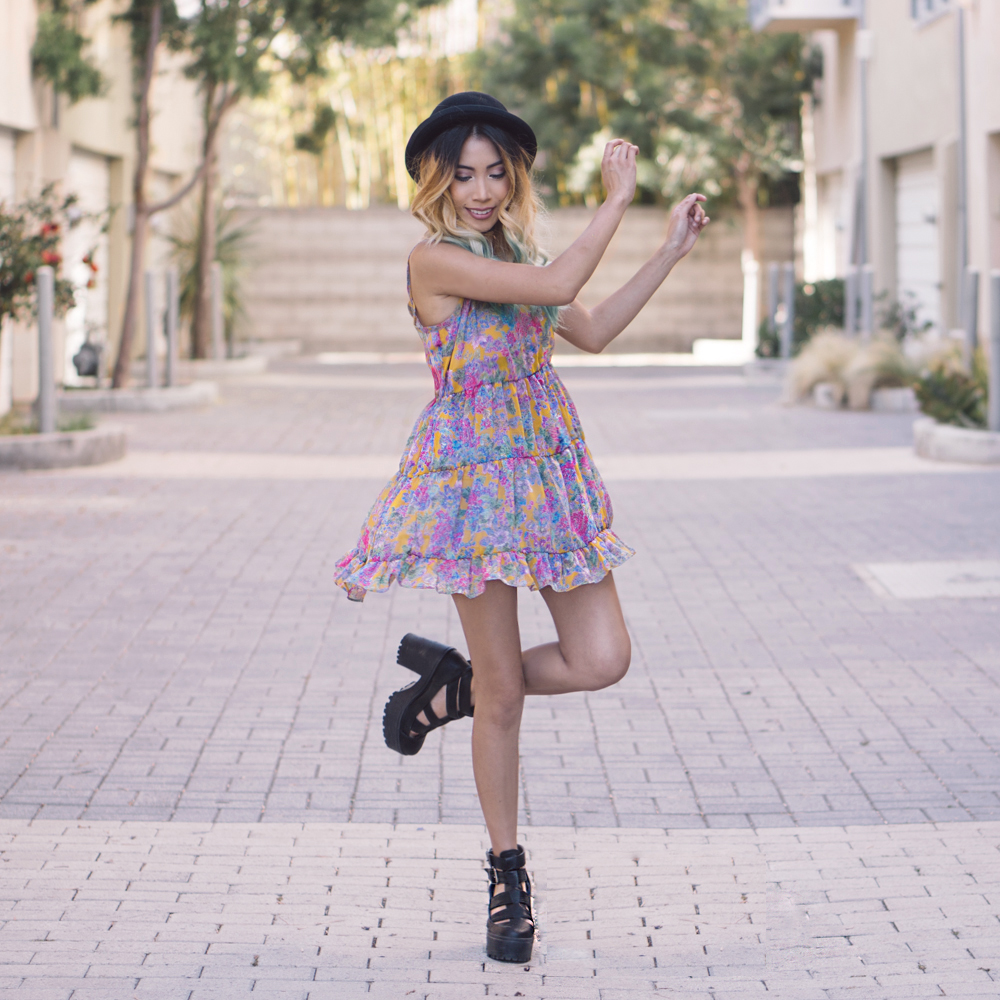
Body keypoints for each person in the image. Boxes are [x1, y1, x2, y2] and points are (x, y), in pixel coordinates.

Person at [335, 92, 709, 964]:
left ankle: (449, 689)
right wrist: (616, 200)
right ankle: (508, 878)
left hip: (546, 476)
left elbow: (594, 326)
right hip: (473, 487)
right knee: (507, 698)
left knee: (602, 657)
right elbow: (555, 287)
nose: (480, 189)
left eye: (496, 171)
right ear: (434, 178)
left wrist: (668, 250)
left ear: (515, 175)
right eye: (462, 173)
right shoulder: (433, 261)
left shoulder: (516, 247)